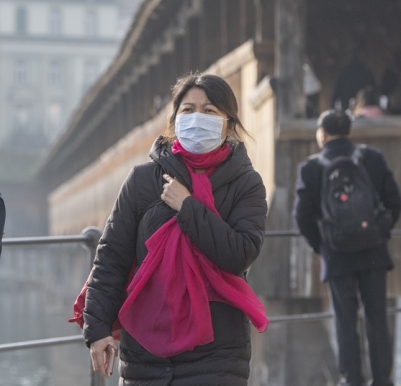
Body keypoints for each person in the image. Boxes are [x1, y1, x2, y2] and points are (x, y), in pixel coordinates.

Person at [78, 73, 269, 385]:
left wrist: (189, 207)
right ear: (175, 120)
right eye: (188, 109)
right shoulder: (143, 180)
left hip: (215, 352)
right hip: (146, 351)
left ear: (229, 123)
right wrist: (97, 329)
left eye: (209, 111)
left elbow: (240, 254)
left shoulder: (245, 183)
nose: (197, 118)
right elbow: (112, 257)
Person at [294, 109, 401, 386]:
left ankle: (351, 378)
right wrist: (380, 231)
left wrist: (322, 246)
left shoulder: (311, 167)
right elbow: (394, 201)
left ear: (322, 134)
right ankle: (382, 379)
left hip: (337, 254)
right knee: (377, 317)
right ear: (351, 132)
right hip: (374, 251)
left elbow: (302, 216)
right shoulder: (372, 158)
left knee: (345, 320)